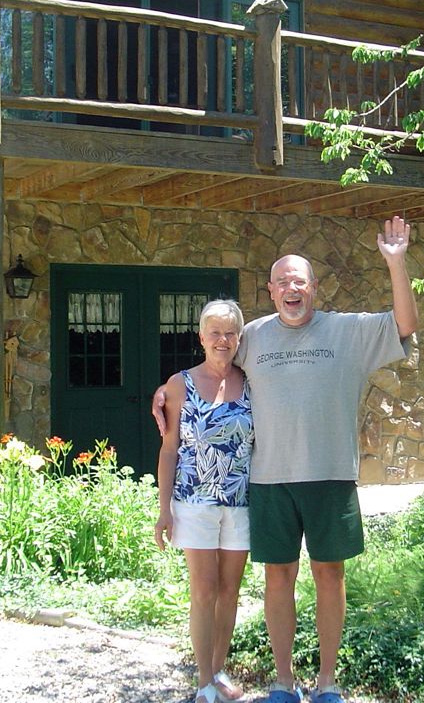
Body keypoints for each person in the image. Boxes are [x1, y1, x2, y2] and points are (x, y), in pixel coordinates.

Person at [155, 217, 418, 703]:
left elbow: (405, 325)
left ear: (313, 288)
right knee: (278, 577)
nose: (291, 289)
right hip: (269, 480)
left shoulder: (347, 331)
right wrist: (168, 392)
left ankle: (327, 683)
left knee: (330, 575)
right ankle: (283, 682)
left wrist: (396, 263)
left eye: (299, 281)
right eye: (282, 283)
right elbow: (215, 364)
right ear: (271, 292)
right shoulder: (252, 336)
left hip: (331, 477)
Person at [154, 299, 254, 703]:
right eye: (215, 332)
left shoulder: (251, 381)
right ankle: (203, 681)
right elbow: (168, 450)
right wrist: (163, 509)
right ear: (201, 337)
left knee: (230, 590)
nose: (222, 340)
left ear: (239, 338)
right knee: (204, 590)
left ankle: (218, 668)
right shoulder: (180, 385)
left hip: (241, 502)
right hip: (194, 501)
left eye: (230, 333)